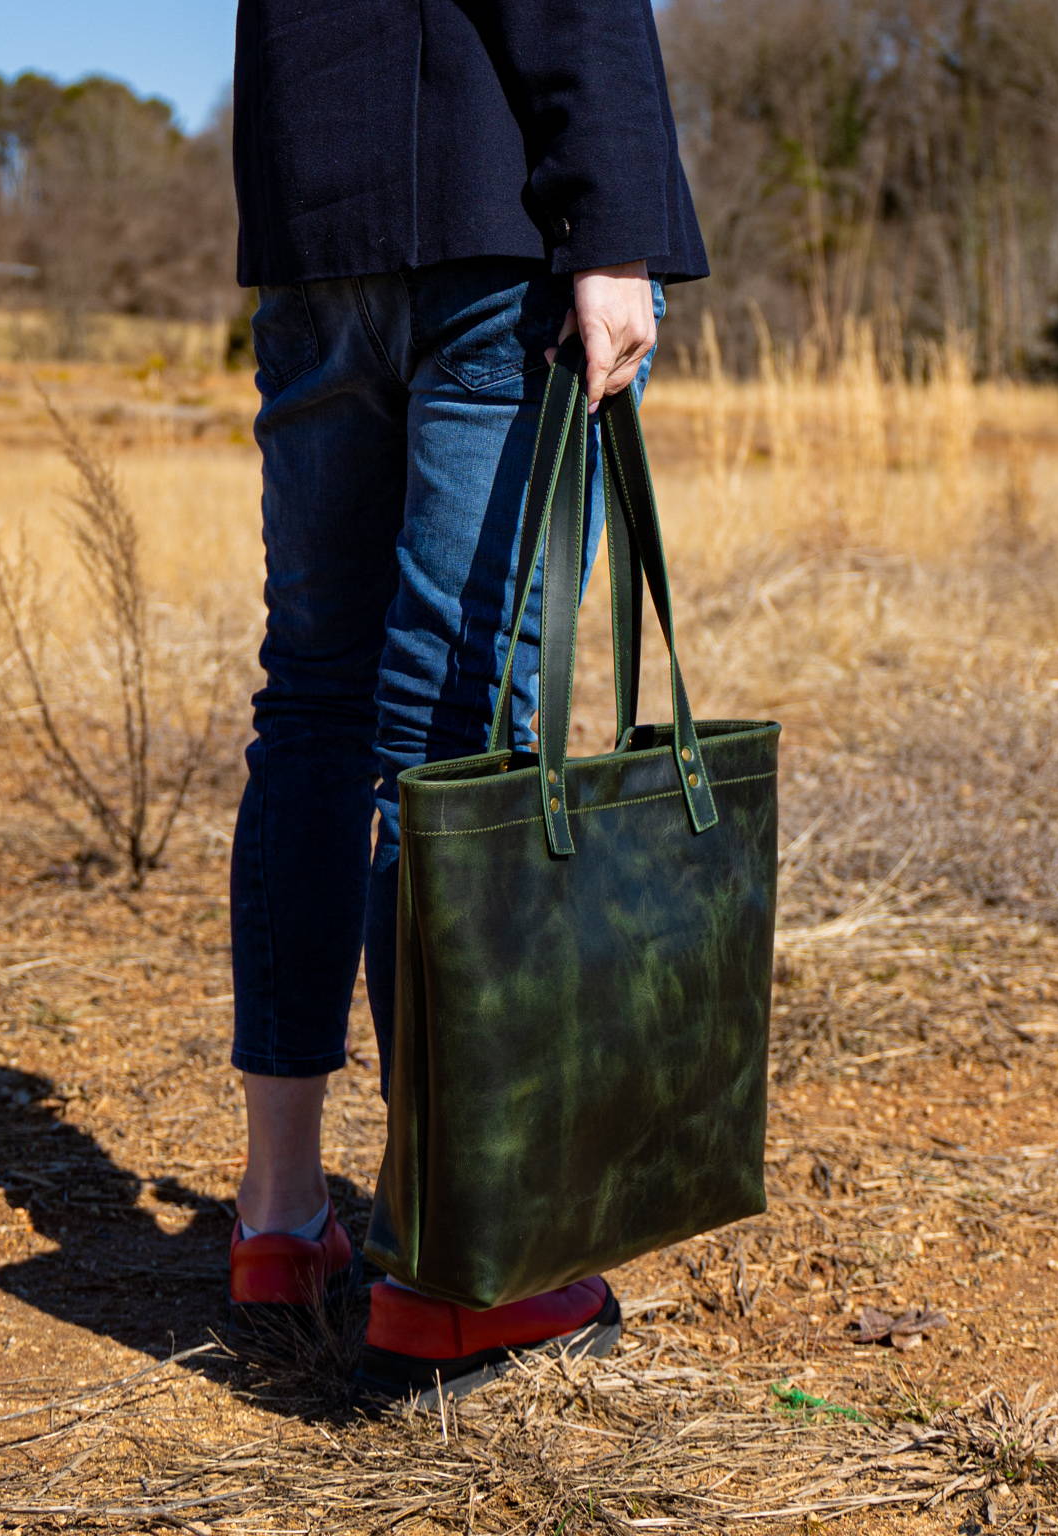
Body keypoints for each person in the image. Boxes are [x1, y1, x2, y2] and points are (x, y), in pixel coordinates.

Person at [223, 0, 709, 1400]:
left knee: (314, 708)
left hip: (318, 227)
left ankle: (278, 1217)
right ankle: (454, 1267)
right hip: (497, 228)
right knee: (459, 735)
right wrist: (613, 227)